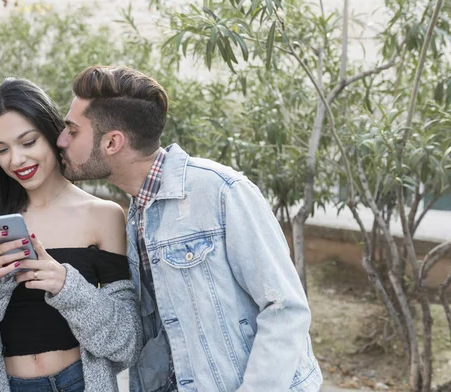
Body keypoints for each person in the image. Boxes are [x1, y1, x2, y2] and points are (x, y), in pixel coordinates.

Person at [56, 66, 323, 391]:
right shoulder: (138, 211)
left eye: (72, 129)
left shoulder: (221, 191)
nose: (61, 139)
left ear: (112, 142)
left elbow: (285, 308)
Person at [0, 77, 142, 392]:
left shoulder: (103, 216)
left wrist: (67, 286)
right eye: (1, 149)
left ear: (51, 134)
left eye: (28, 142)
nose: (16, 160)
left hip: (79, 383)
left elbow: (126, 343)